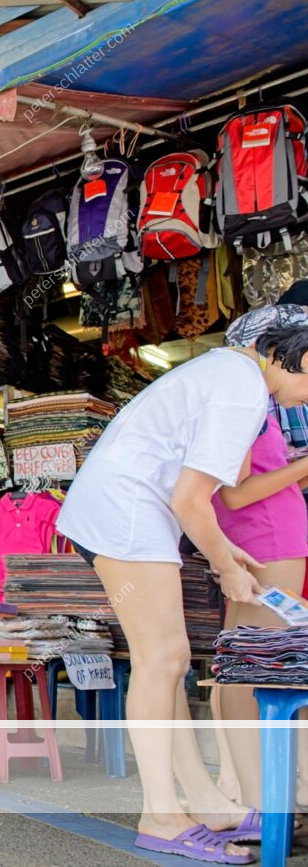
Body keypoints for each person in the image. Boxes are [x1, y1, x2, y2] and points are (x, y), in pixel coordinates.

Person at [56, 325, 308, 863]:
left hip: (130, 508)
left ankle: (206, 803)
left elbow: (209, 488)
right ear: (300, 360)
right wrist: (226, 565)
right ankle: (161, 816)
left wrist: (226, 555)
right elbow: (193, 499)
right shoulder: (242, 387)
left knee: (165, 664)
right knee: (162, 661)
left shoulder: (234, 376)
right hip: (126, 512)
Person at [209, 306, 308, 814]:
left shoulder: (258, 403)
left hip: (265, 540)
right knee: (261, 669)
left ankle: (255, 795)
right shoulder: (248, 401)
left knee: (245, 663)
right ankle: (262, 801)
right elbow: (237, 494)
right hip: (266, 542)